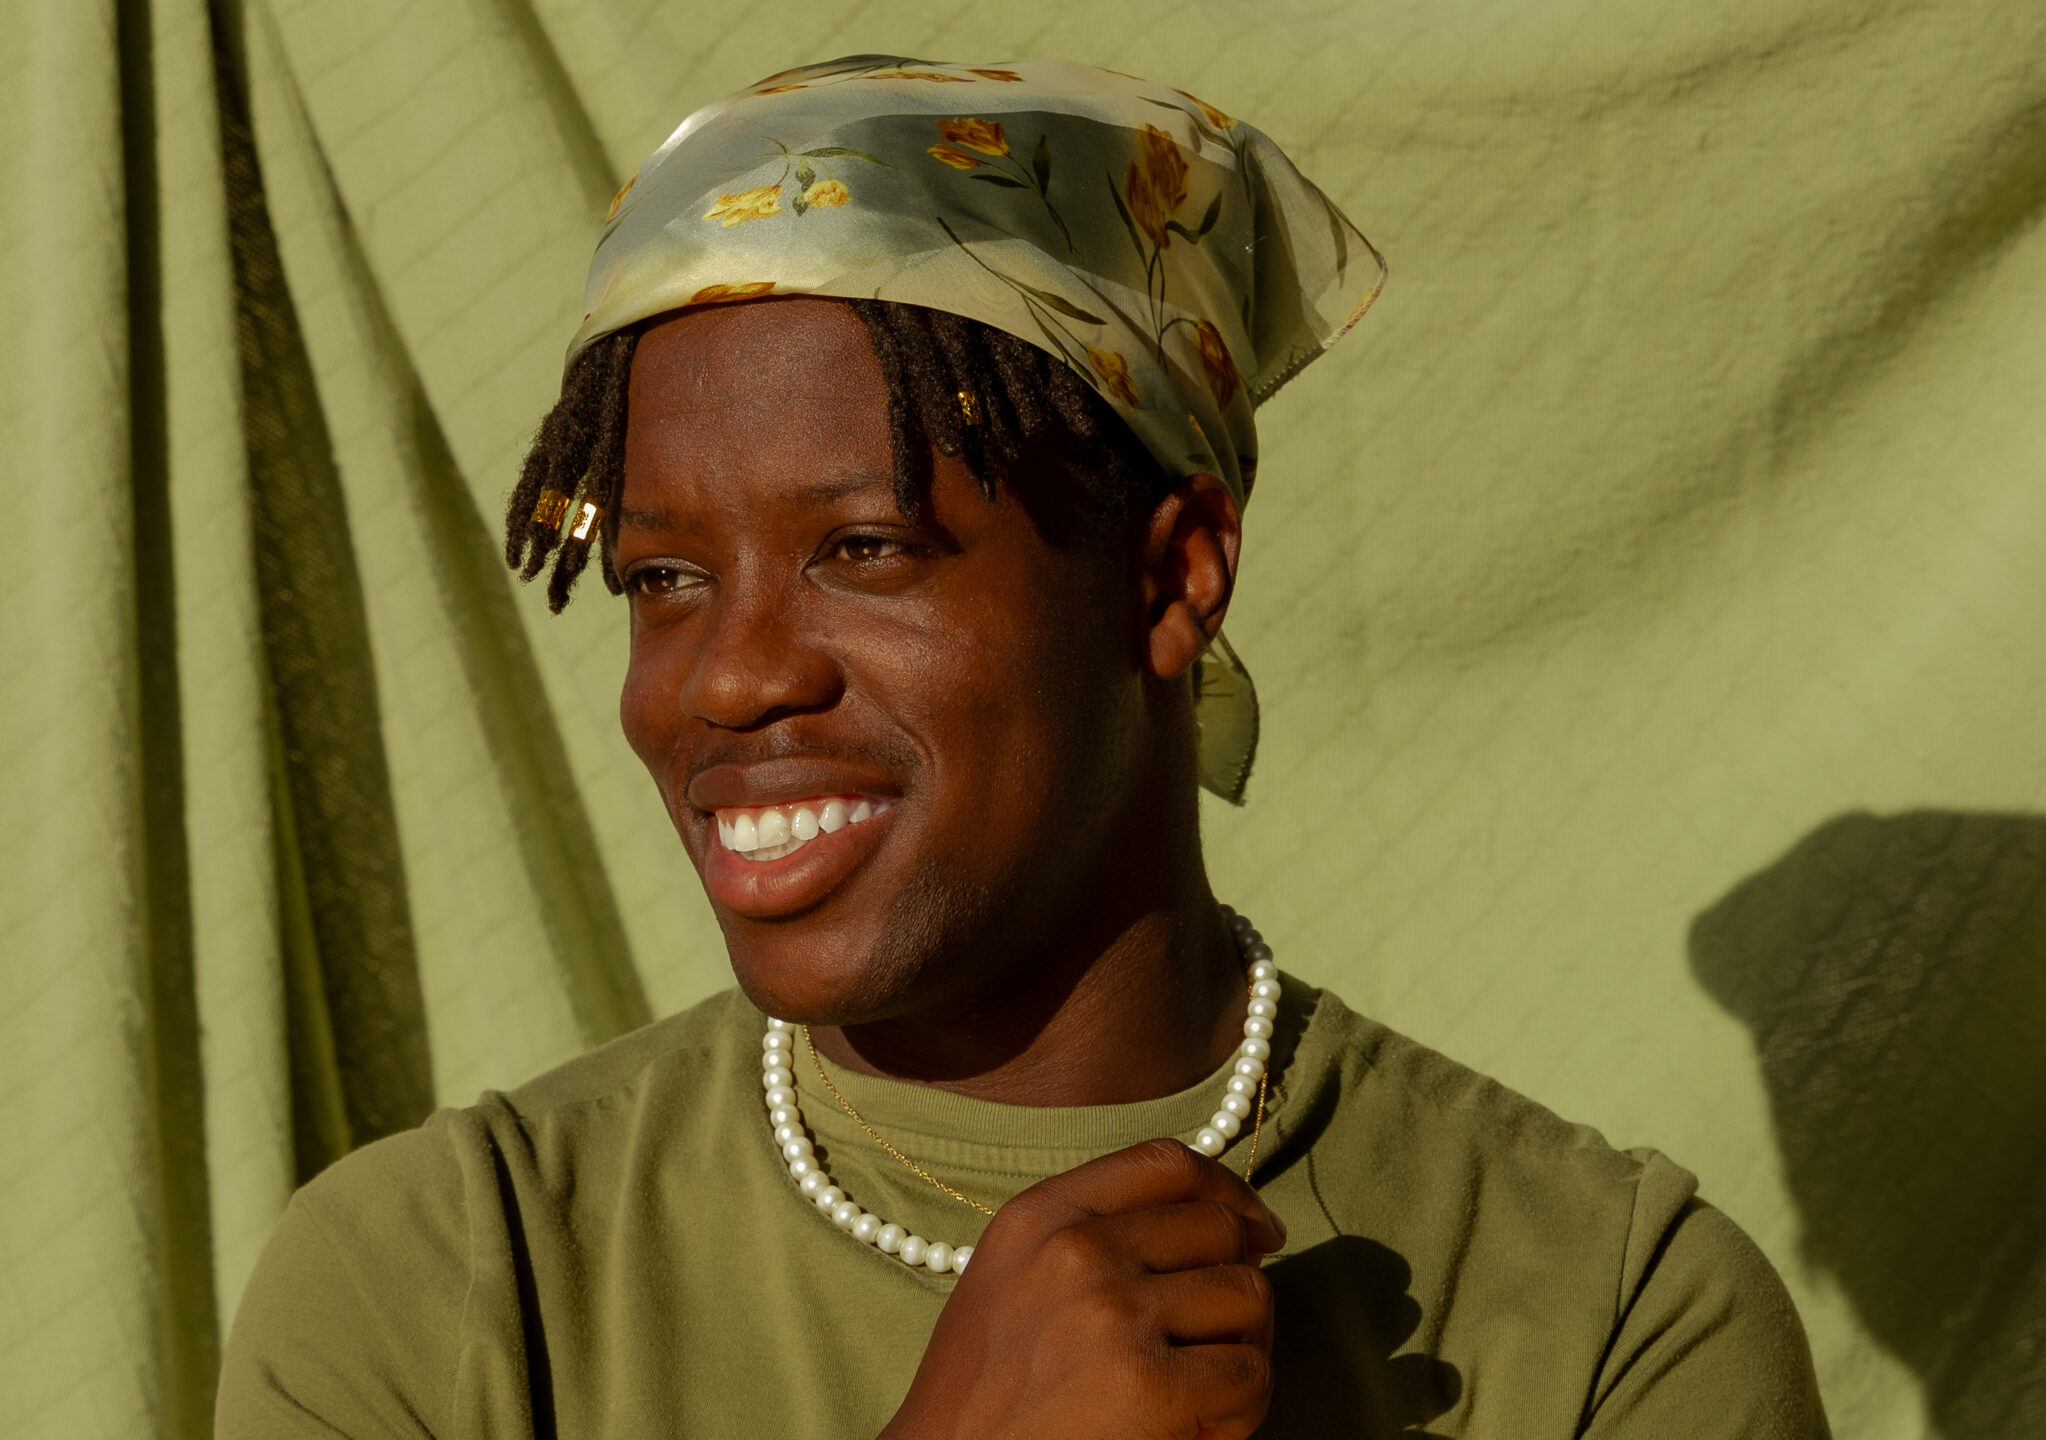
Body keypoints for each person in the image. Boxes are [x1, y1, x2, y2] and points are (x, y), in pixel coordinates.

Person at [214, 56, 1829, 1439]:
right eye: (664, 580)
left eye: (865, 548)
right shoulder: (443, 1287)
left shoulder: (1605, 1309)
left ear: (1169, 575)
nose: (728, 681)